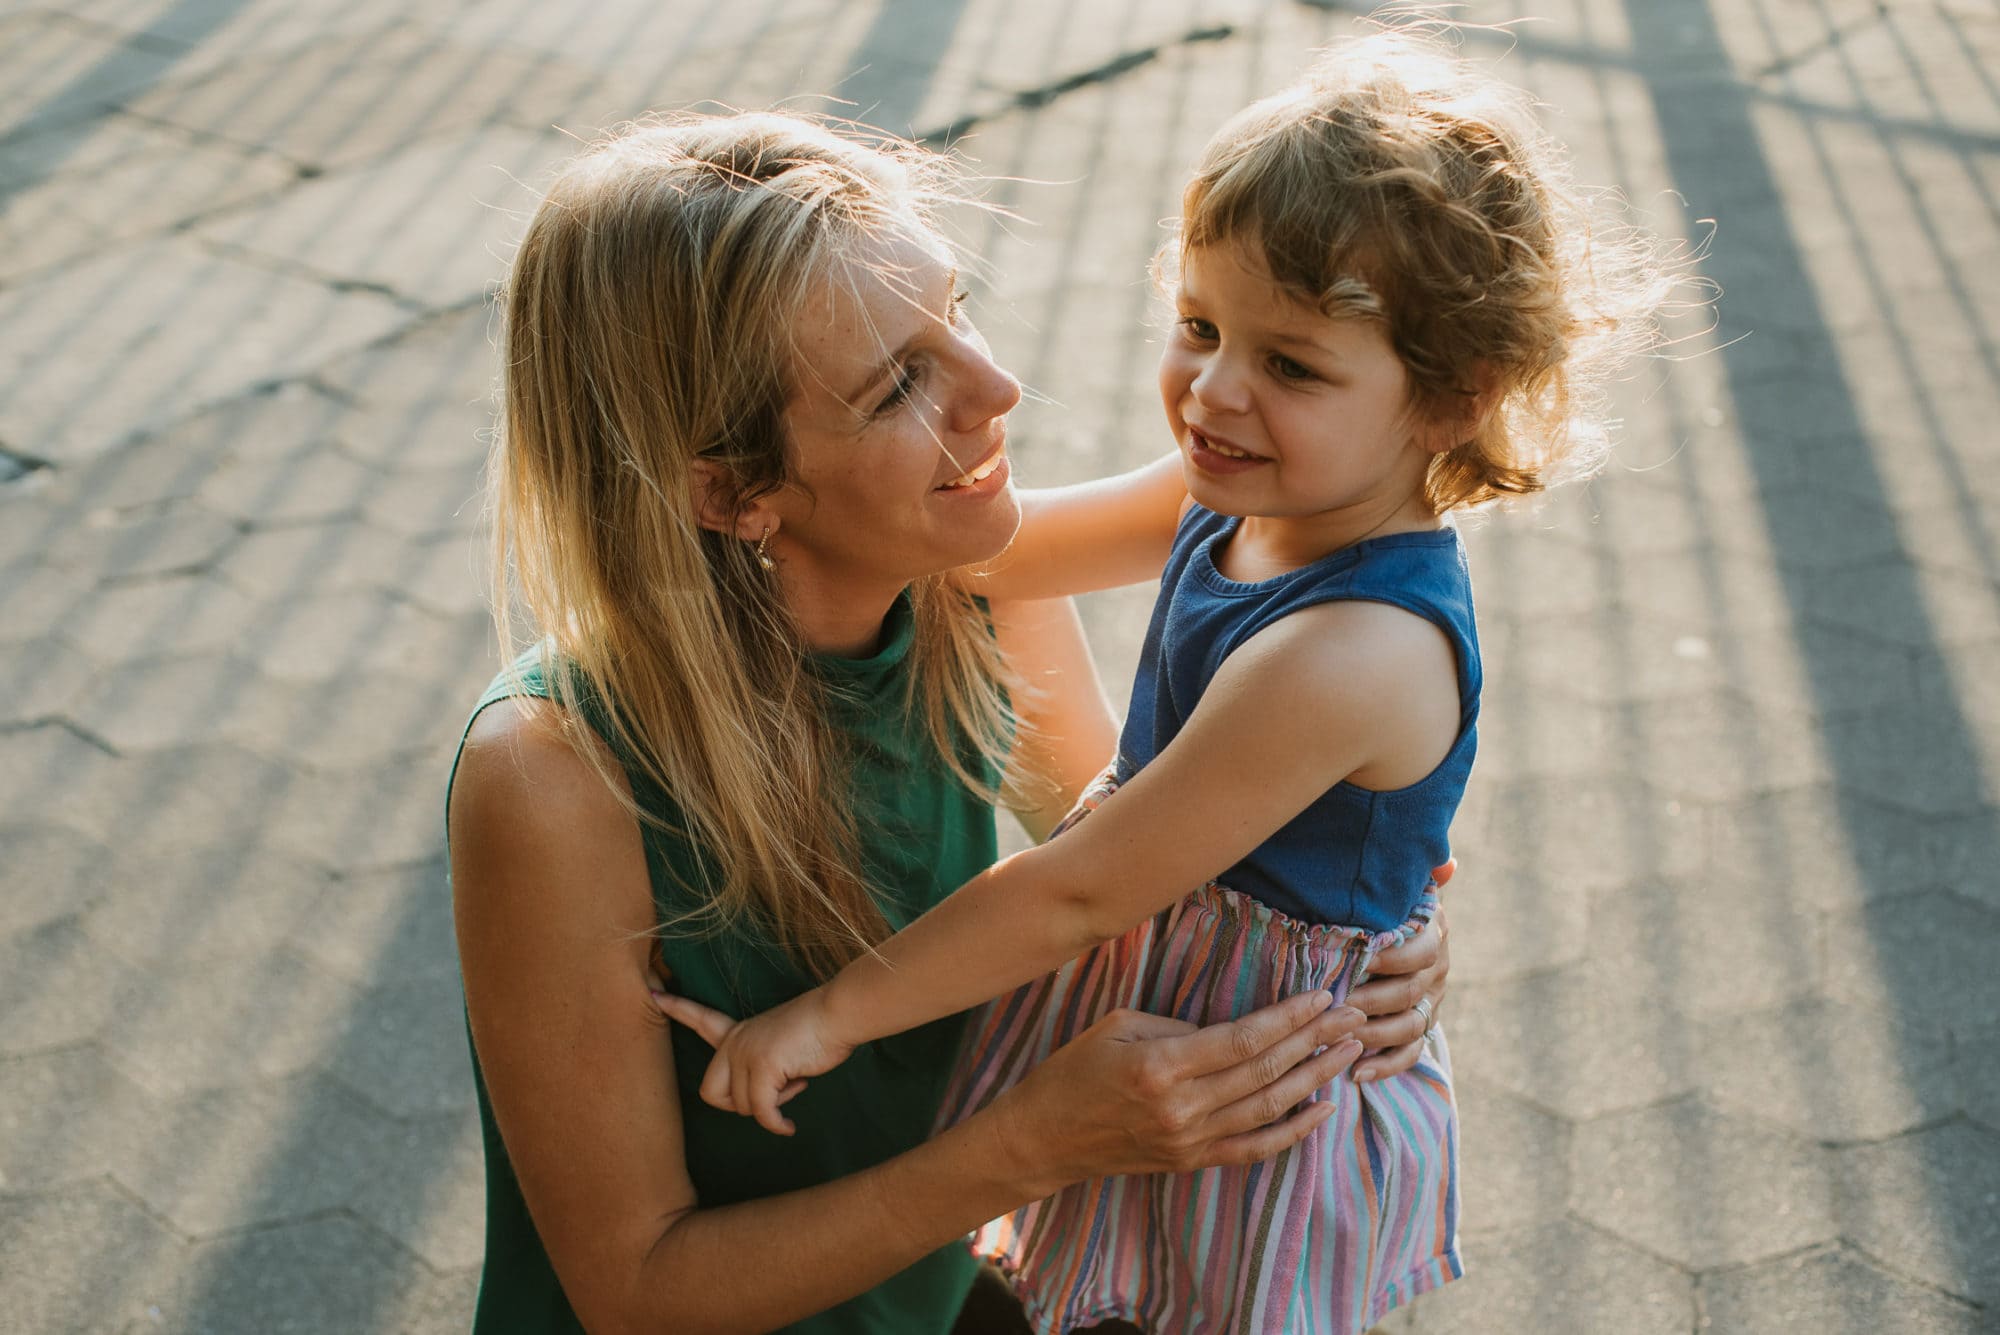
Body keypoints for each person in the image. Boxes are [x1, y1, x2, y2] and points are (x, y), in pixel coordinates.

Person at [669, 26, 1672, 1335]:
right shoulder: (1242, 489)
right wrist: (788, 483)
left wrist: (829, 1016)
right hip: (1161, 983)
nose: (1213, 389)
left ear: (1450, 399)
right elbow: (995, 549)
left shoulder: (1354, 646)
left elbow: (1082, 887)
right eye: (1198, 324)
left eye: (1291, 362)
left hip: (1246, 1081)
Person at [447, 110, 1452, 1334]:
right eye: (896, 387)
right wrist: (1020, 1150)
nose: (998, 387)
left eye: (956, 312)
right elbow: (635, 1289)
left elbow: (1141, 874)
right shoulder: (553, 776)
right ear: (730, 490)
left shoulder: (972, 586)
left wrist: (1369, 931)